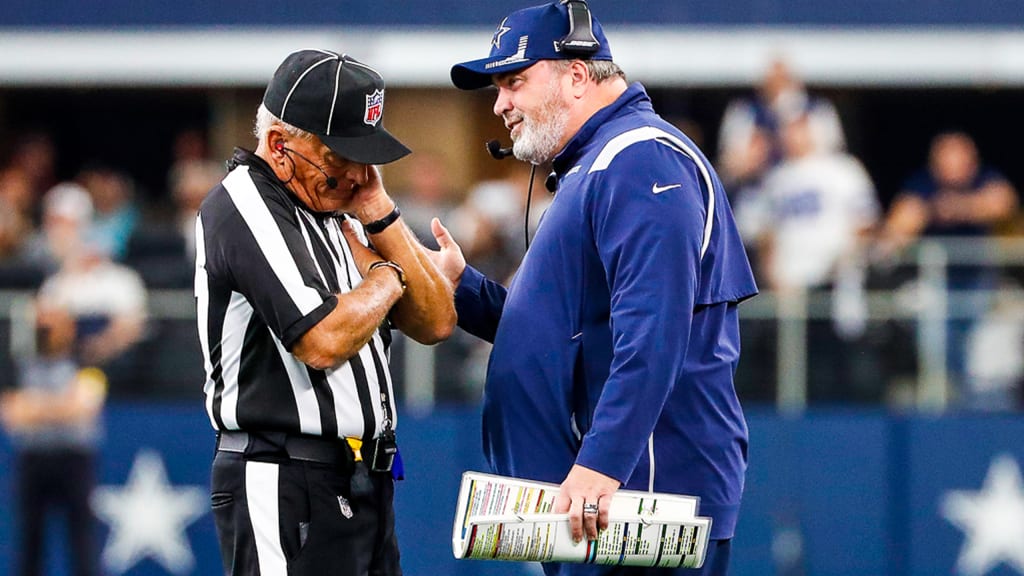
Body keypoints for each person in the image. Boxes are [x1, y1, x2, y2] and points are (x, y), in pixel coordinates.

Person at [436, 3, 759, 575]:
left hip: (641, 497)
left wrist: (601, 465)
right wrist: (465, 289)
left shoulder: (638, 158)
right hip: (607, 499)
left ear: (577, 75)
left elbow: (655, 331)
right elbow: (565, 335)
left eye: (514, 81)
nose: (500, 104)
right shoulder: (602, 162)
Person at [194, 49, 455, 576]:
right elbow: (321, 339)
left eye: (367, 156)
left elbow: (435, 321)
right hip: (286, 478)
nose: (359, 174)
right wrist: (391, 275)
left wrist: (382, 216)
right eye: (340, 155)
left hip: (366, 480)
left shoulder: (342, 207)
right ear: (279, 146)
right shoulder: (244, 203)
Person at [877, 131, 1018, 407]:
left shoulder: (985, 179)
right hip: (936, 285)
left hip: (978, 283)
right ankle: (947, 407)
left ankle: (978, 408)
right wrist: (927, 212)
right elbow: (899, 226)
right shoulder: (923, 185)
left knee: (983, 360)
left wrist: (962, 207)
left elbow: (1003, 202)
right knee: (940, 356)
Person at [756, 112, 882, 403]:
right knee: (795, 380)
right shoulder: (777, 177)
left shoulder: (842, 169)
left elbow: (865, 224)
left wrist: (836, 266)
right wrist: (773, 277)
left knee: (841, 374)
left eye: (797, 129)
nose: (790, 136)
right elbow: (765, 234)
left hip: (834, 289)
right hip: (790, 295)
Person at [0, 301, 107, 576]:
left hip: (74, 461)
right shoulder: (16, 364)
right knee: (29, 540)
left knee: (81, 538)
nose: (46, 329)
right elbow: (13, 415)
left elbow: (84, 407)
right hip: (33, 460)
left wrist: (35, 407)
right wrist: (60, 406)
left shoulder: (86, 361)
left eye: (53, 322)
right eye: (42, 322)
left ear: (69, 326)